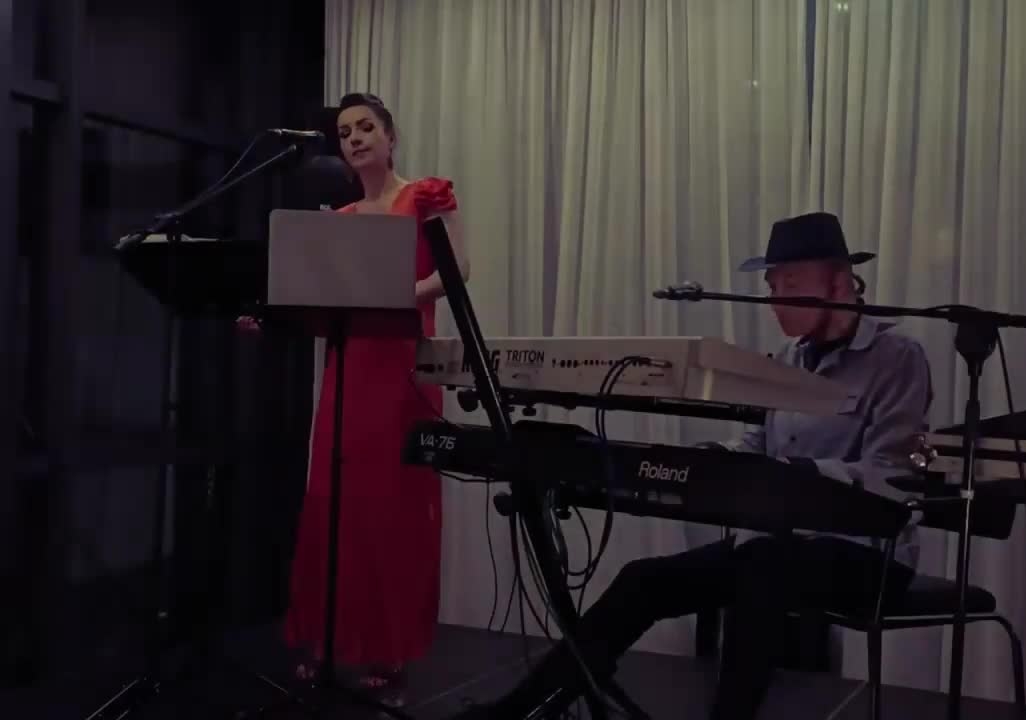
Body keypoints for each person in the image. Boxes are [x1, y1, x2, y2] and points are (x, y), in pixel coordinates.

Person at [458, 211, 932, 719]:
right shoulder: (788, 358)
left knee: (763, 566)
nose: (775, 301)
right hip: (778, 547)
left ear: (839, 282)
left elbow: (891, 473)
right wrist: (711, 459)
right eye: (771, 287)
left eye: (790, 285)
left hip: (868, 554)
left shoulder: (897, 356)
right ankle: (517, 711)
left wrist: (797, 474)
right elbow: (759, 442)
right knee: (644, 580)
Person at [269, 92, 469, 696]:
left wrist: (396, 292)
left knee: (391, 505)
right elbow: (325, 296)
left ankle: (390, 647)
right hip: (349, 367)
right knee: (334, 499)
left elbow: (457, 269)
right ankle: (328, 640)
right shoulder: (341, 218)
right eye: (345, 132)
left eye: (365, 128)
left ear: (390, 135)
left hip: (402, 366)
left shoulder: (426, 196)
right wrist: (278, 316)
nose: (355, 139)